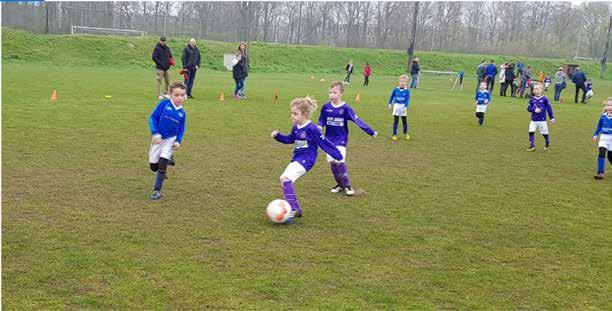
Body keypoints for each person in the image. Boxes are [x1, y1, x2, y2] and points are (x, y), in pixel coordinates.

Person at [271, 97, 343, 218]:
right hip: (296, 158)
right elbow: (289, 139)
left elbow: (324, 142)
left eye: (295, 113)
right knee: (283, 178)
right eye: (291, 113)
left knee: (286, 179)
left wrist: (337, 155)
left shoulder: (312, 129)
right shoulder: (296, 127)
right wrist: (278, 136)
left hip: (307, 159)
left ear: (304, 114)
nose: (292, 116)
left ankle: (293, 208)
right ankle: (296, 209)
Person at [317, 81, 377, 196]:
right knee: (332, 162)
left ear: (341, 94)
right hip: (328, 139)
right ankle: (340, 184)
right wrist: (320, 125)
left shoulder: (346, 108)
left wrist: (371, 132)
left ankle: (348, 186)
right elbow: (322, 119)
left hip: (341, 139)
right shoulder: (326, 107)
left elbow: (357, 121)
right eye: (330, 92)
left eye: (334, 92)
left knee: (340, 161)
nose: (331, 95)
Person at [148, 81, 187, 200]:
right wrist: (155, 133)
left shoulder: (182, 113)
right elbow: (153, 118)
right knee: (153, 166)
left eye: (182, 95)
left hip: (170, 140)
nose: (179, 98)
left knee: (162, 165)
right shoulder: (164, 104)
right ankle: (168, 160)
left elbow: (181, 129)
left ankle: (156, 191)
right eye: (176, 95)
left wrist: (178, 141)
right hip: (158, 138)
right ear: (170, 95)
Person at [526, 83, 555, 152]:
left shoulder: (545, 99)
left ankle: (547, 143)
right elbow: (528, 108)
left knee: (544, 133)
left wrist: (551, 117)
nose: (535, 91)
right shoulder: (532, 99)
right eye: (534, 89)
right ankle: (532, 146)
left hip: (542, 121)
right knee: (531, 131)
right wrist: (534, 110)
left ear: (541, 90)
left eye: (537, 89)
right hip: (533, 120)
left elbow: (549, 108)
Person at [592, 99, 612, 179]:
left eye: (611, 105)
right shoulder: (603, 116)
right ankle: (600, 173)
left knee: (611, 157)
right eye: (608, 105)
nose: (609, 107)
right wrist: (596, 134)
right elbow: (599, 126)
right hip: (604, 138)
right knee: (601, 153)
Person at [387, 75, 411, 140]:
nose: (402, 83)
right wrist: (389, 103)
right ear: (399, 82)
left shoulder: (407, 91)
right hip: (396, 106)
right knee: (396, 121)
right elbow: (391, 96)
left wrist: (405, 107)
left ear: (406, 83)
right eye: (401, 81)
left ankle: (406, 133)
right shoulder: (396, 89)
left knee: (404, 121)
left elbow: (407, 100)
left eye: (404, 81)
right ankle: (394, 134)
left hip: (403, 106)